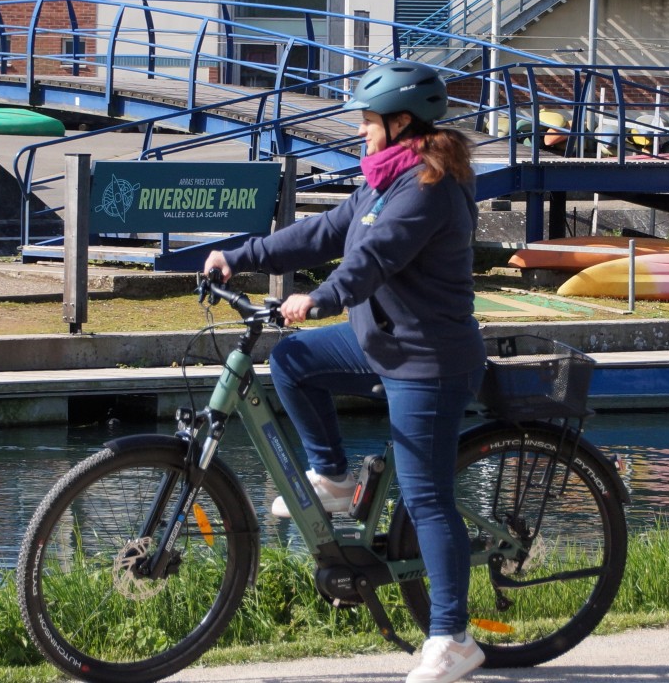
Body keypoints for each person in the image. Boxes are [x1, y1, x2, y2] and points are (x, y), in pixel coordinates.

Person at [203, 61, 488, 683]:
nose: (361, 133)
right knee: (294, 360)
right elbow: (318, 234)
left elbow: (374, 261)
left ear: (400, 122)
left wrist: (320, 299)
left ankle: (453, 638)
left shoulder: (429, 188)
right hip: (382, 342)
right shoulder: (381, 183)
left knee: (427, 500)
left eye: (367, 123)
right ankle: (331, 476)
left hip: (429, 362)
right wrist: (237, 254)